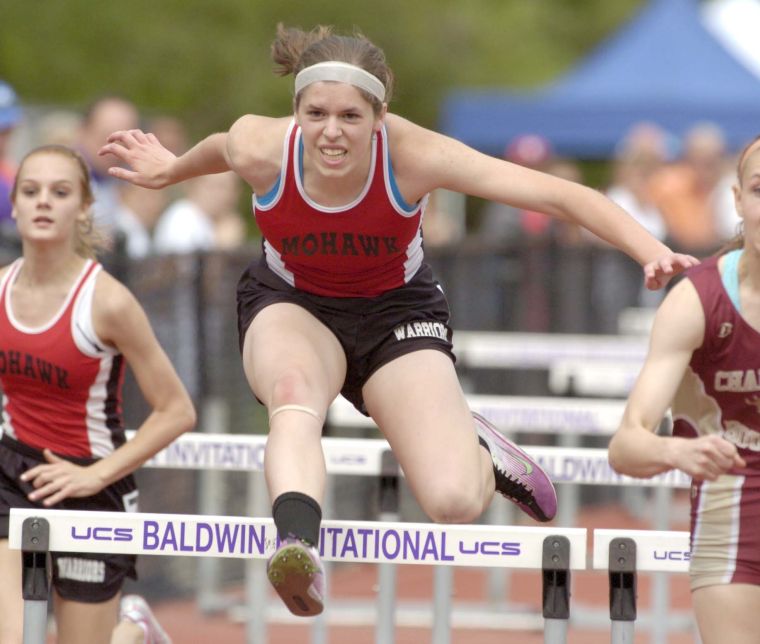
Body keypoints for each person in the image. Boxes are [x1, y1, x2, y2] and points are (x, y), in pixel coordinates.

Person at [99, 24, 698, 618]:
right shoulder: (261, 145)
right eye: (316, 114)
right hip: (293, 301)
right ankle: (298, 547)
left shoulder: (415, 156)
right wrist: (170, 169)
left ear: (380, 117)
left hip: (394, 313)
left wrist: (651, 250)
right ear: (296, 112)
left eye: (350, 117)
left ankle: (481, 448)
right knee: (293, 396)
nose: (331, 133)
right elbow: (217, 149)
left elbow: (557, 197)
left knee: (453, 500)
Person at [0, 144, 196, 643]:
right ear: (15, 205)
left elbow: (176, 411)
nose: (43, 202)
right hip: (12, 474)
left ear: (84, 207)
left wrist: (95, 477)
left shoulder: (108, 303)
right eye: (31, 191)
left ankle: (132, 631)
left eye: (60, 192)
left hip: (94, 484)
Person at [608, 134, 760, 644]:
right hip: (736, 507)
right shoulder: (699, 299)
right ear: (737, 200)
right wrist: (678, 449)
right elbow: (626, 447)